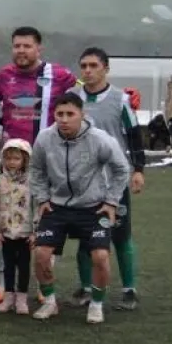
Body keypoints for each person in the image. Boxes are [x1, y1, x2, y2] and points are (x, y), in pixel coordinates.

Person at [29, 93, 131, 325]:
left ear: (82, 115)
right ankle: (50, 301)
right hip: (57, 206)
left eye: (70, 114)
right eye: (59, 114)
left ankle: (96, 304)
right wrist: (43, 198)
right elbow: (36, 170)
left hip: (92, 207)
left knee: (101, 256)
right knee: (42, 254)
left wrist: (111, 202)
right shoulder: (45, 138)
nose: (64, 120)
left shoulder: (99, 139)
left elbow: (121, 170)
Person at [69, 47, 146, 310]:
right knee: (84, 236)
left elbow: (134, 135)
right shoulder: (73, 99)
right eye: (84, 66)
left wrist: (138, 170)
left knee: (120, 235)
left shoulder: (120, 99)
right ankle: (87, 287)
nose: (88, 71)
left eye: (93, 65)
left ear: (106, 68)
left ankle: (129, 289)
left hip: (114, 179)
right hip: (82, 180)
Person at [0, 26, 78, 145]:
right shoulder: (4, 74)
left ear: (39, 49)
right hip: (14, 155)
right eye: (17, 46)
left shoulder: (60, 74)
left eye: (27, 46)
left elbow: (81, 99)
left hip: (49, 150)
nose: (21, 50)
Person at [0, 139, 37, 315]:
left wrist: (35, 231)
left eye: (16, 159)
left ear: (25, 159)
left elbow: (37, 206)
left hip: (25, 232)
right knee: (7, 266)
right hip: (6, 232)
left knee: (24, 267)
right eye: (8, 158)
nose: (12, 162)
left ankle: (22, 299)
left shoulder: (31, 181)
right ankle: (8, 297)